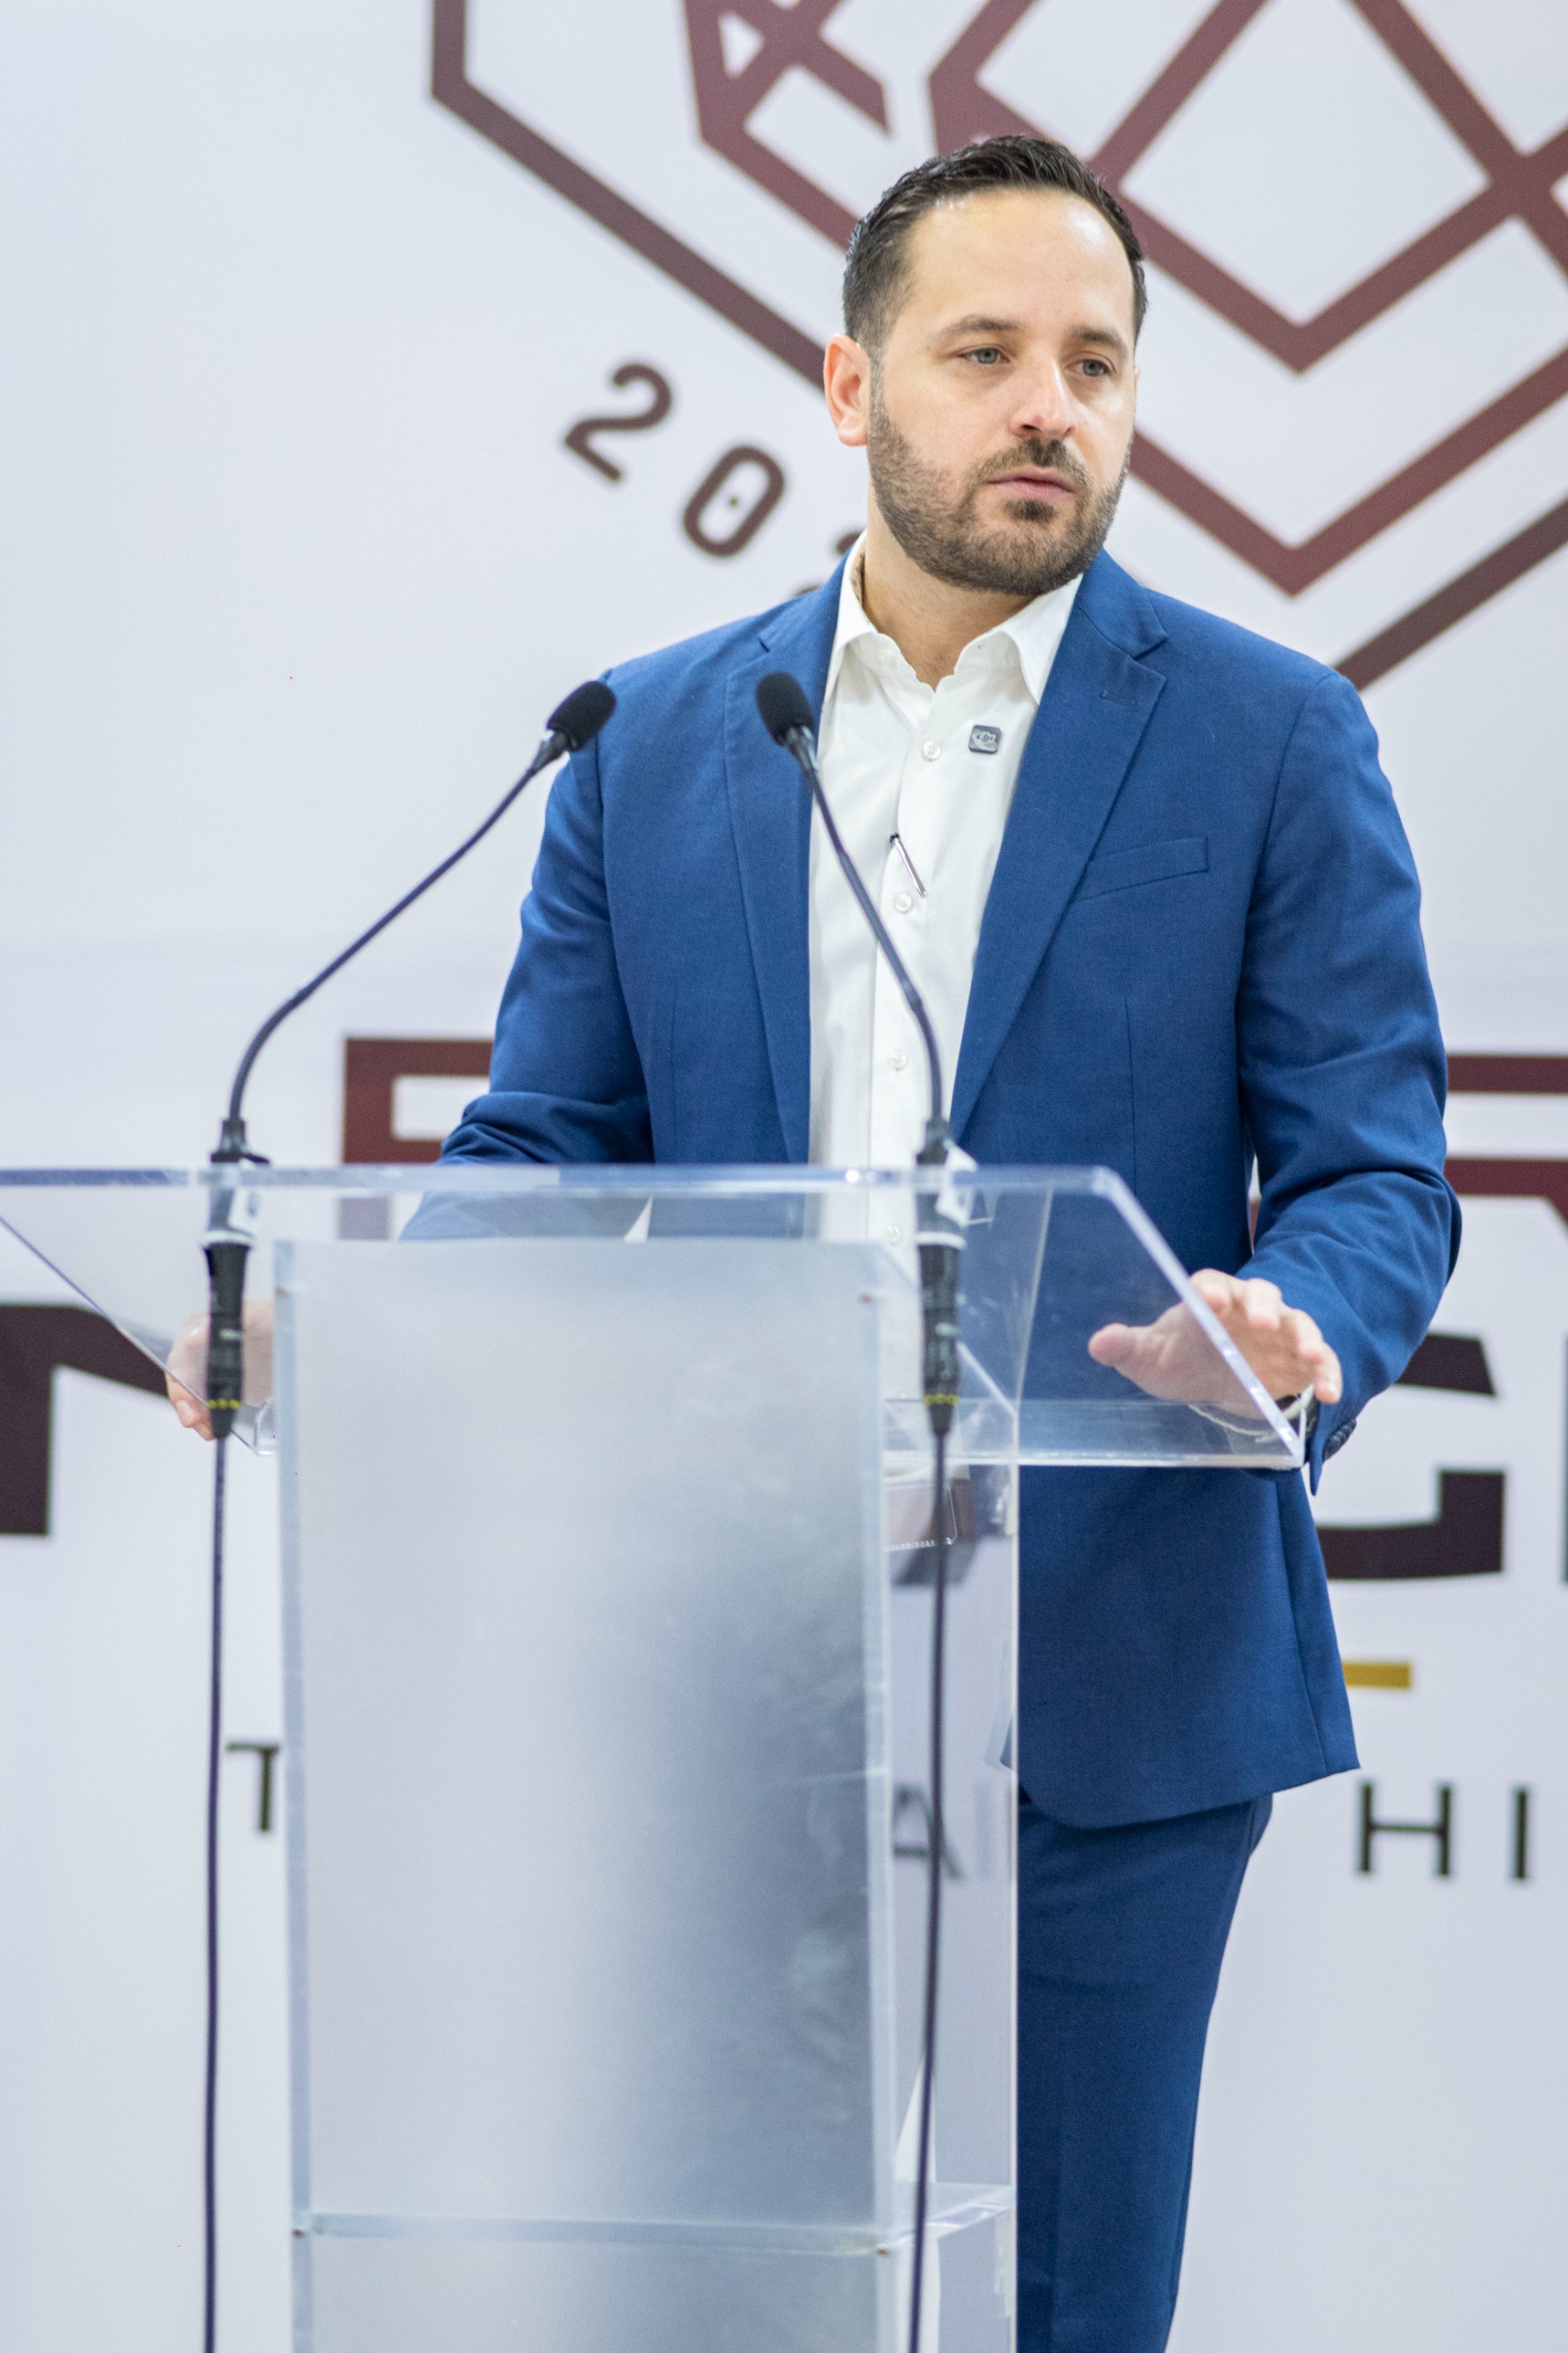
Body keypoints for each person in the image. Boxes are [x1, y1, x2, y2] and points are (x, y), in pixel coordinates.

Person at [173, 136, 1458, 2353]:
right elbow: (550, 1143)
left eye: (1095, 363)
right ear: (851, 388)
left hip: (1116, 1656)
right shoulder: (657, 733)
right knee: (709, 2299)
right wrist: (348, 1319)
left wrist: (1292, 1322)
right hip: (724, 1653)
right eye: (986, 353)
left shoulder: (1266, 733)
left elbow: (1377, 1167)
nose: (1049, 406)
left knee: (1064, 2307)